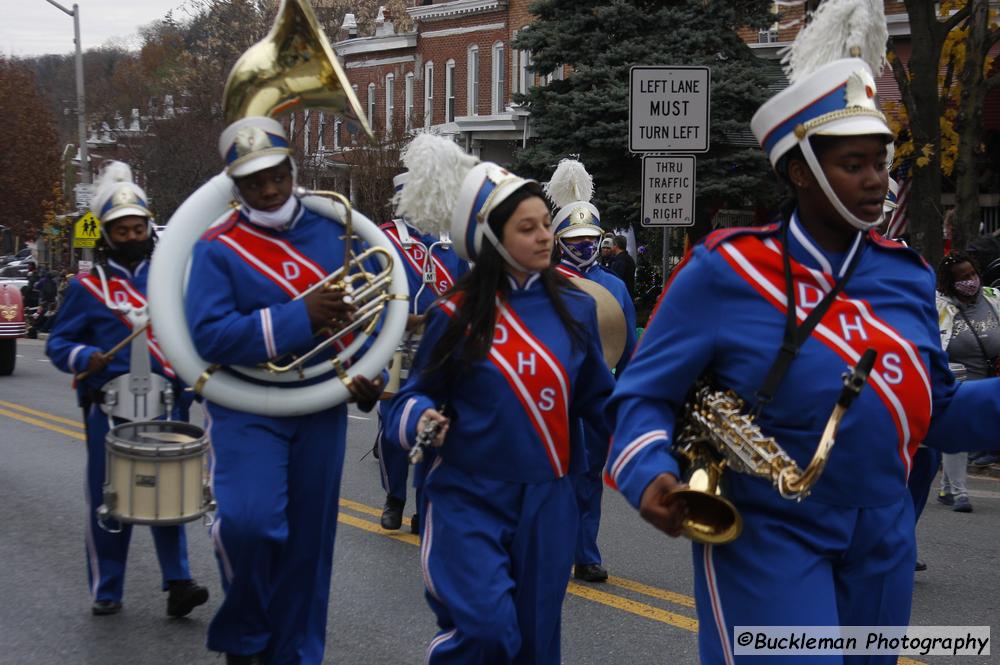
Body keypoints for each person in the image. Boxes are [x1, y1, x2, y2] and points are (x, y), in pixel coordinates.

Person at [603, 6, 1000, 662]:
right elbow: (640, 394)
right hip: (768, 532)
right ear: (798, 171)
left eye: (882, 160)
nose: (877, 179)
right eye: (854, 163)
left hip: (883, 540)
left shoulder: (905, 276)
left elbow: (935, 412)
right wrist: (649, 472)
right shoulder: (725, 270)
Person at [386, 133, 614, 664]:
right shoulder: (455, 315)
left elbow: (601, 404)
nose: (546, 237)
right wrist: (420, 418)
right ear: (491, 238)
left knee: (535, 645)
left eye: (545, 225)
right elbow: (409, 398)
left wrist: (658, 454)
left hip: (550, 499)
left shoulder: (576, 311)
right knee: (486, 633)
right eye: (527, 228)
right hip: (469, 497)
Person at [187, 116, 383, 665]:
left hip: (319, 403)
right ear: (235, 186)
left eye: (276, 175)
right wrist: (298, 316)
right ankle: (246, 634)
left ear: (291, 168)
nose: (269, 190)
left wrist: (372, 378)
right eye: (254, 182)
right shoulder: (216, 248)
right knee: (248, 524)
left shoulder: (332, 231)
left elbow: (366, 323)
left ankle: (294, 656)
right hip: (245, 405)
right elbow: (208, 335)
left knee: (307, 549)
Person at [45, 161, 208, 617]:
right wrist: (83, 358)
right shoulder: (87, 288)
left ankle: (178, 581)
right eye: (123, 231)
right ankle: (107, 588)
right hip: (109, 408)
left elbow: (190, 341)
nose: (133, 237)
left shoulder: (168, 283)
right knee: (109, 497)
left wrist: (188, 388)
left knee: (168, 492)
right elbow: (59, 342)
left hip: (164, 405)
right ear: (106, 235)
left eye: (139, 228)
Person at [545, 157, 637, 583]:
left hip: (600, 394)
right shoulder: (544, 281)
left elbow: (629, 348)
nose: (584, 245)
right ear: (560, 239)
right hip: (555, 395)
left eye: (590, 238)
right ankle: (550, 545)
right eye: (575, 238)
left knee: (589, 477)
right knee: (554, 475)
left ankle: (586, 552)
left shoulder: (615, 285)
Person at [377, 171, 469, 531]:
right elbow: (370, 292)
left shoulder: (452, 245)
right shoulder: (385, 241)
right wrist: (404, 319)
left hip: (441, 346)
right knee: (392, 428)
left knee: (434, 426)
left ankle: (423, 504)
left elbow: (466, 293)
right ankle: (394, 495)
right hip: (396, 344)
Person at [935, 251, 1000, 510]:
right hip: (957, 377)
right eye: (962, 278)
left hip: (990, 377)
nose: (970, 281)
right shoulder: (938, 306)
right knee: (958, 431)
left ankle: (946, 488)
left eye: (972, 274)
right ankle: (960, 494)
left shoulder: (993, 298)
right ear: (951, 283)